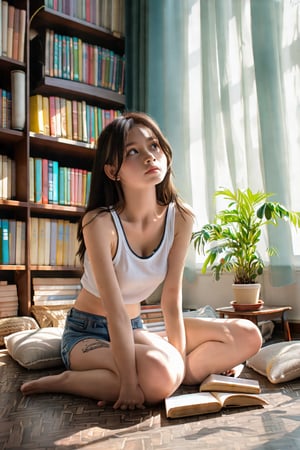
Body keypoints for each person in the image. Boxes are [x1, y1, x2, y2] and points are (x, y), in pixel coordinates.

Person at [21, 112, 262, 410]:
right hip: (87, 332)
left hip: (136, 329)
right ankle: (68, 381)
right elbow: (114, 310)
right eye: (133, 152)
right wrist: (128, 384)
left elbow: (171, 296)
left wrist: (175, 351)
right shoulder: (99, 223)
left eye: (154, 146)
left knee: (248, 335)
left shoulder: (181, 217)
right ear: (112, 171)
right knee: (160, 375)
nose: (149, 157)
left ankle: (176, 373)